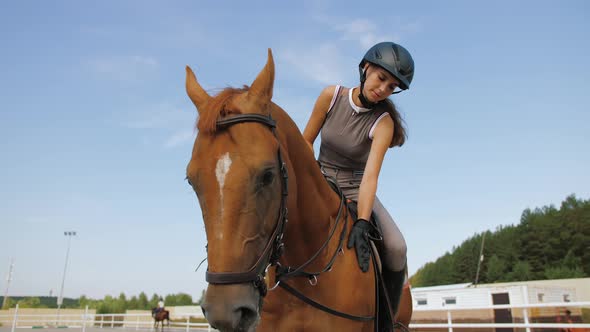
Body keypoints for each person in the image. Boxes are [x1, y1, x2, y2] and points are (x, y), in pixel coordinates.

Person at [303, 41, 414, 318]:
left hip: (357, 189)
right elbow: (306, 142)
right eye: (382, 78)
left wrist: (363, 222)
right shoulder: (331, 96)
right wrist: (308, 182)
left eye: (391, 87)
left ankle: (387, 319)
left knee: (398, 247)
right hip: (319, 179)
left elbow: (370, 177)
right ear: (366, 68)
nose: (383, 89)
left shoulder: (383, 123)